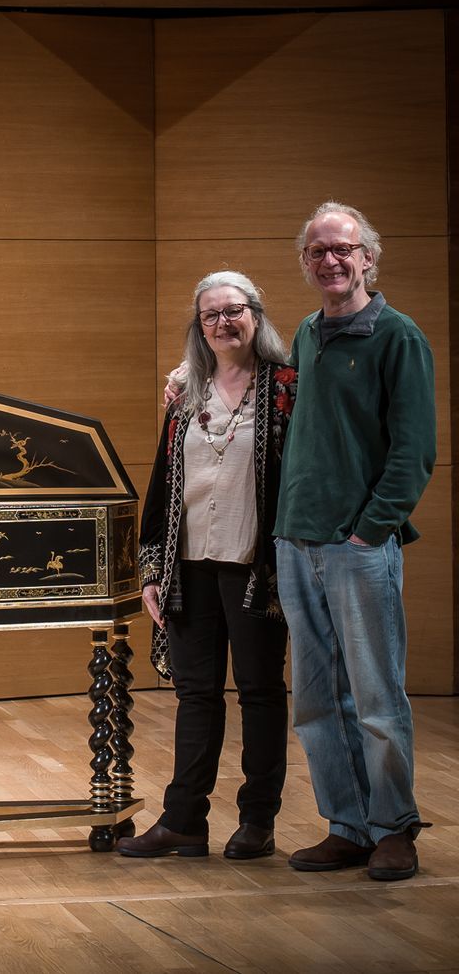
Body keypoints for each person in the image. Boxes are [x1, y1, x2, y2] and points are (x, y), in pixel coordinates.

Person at [273, 202, 435, 881]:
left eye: (343, 249)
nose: (330, 261)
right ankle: (346, 825)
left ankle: (394, 826)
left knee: (375, 696)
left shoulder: (398, 336)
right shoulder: (309, 334)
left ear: (369, 256)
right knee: (314, 700)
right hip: (297, 542)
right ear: (307, 262)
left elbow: (413, 450)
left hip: (358, 547)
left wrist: (372, 531)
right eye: (318, 251)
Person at [120, 272, 293, 861]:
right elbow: (162, 485)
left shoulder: (289, 387)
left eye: (234, 310)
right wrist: (152, 570)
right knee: (196, 695)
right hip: (188, 566)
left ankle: (257, 821)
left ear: (256, 316)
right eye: (211, 314)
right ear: (200, 328)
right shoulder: (186, 394)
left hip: (255, 567)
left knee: (261, 692)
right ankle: (184, 821)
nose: (223, 322)